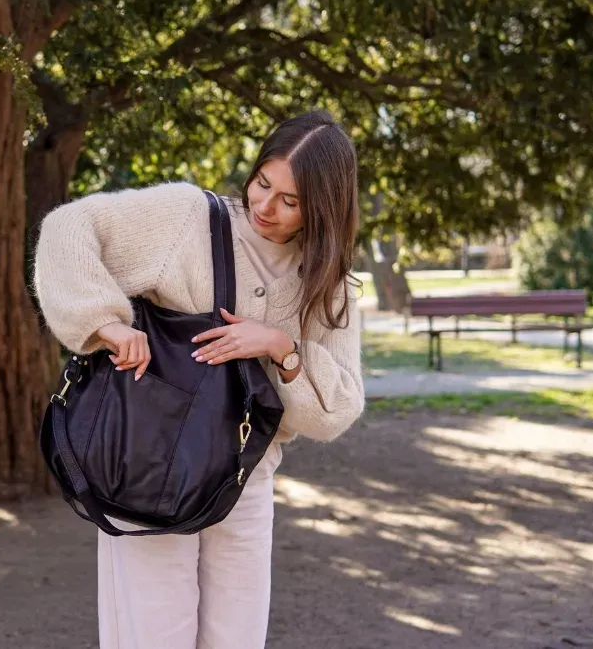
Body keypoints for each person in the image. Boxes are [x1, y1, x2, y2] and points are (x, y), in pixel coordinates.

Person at [33, 110, 365, 649]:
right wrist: (106, 323)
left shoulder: (328, 284)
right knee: (152, 638)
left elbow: (336, 411)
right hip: (147, 467)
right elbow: (68, 229)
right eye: (263, 183)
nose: (265, 206)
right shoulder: (188, 219)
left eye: (290, 200)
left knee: (237, 639)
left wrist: (281, 348)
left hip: (245, 479)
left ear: (325, 207)